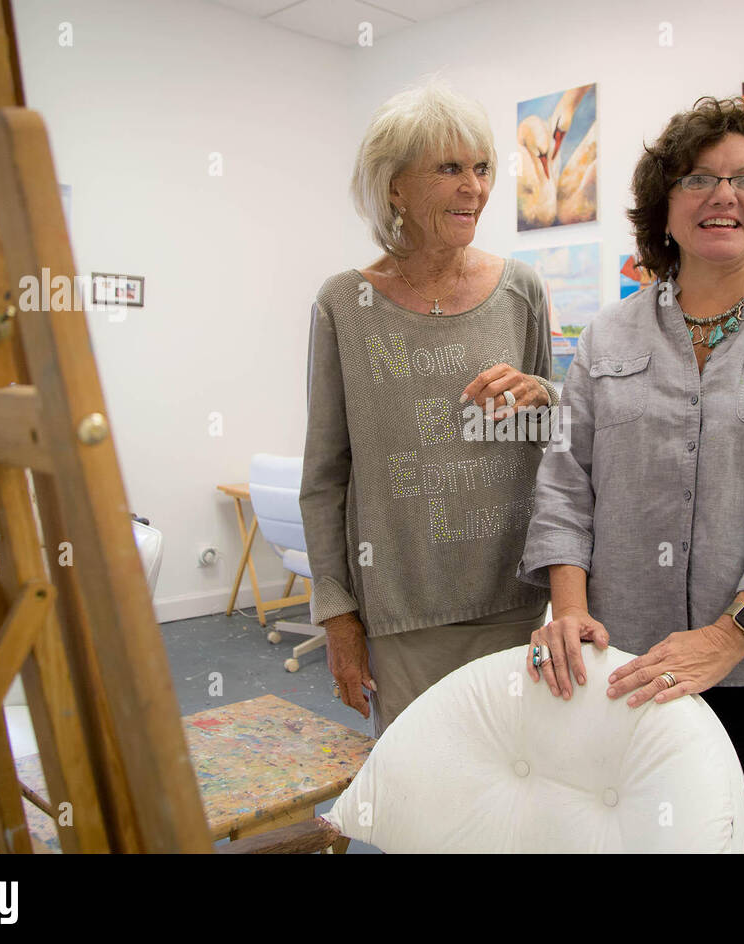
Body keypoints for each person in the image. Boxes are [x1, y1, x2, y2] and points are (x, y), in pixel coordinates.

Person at [516, 96, 744, 853]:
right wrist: (568, 613)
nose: (725, 196)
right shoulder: (612, 330)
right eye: (699, 179)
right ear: (663, 207)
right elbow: (565, 479)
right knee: (633, 835)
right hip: (629, 657)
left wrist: (728, 634)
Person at [301, 81, 559, 737]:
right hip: (402, 611)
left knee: (512, 793)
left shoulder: (521, 292)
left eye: (480, 168)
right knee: (425, 806)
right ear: (396, 188)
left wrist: (546, 396)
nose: (473, 186)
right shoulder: (344, 306)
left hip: (511, 602)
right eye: (449, 169)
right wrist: (337, 616)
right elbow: (326, 476)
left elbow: (561, 443)